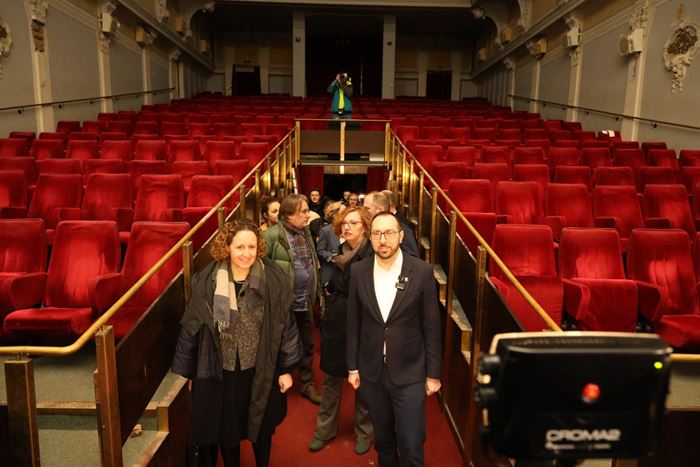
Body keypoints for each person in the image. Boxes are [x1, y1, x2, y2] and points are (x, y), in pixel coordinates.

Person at [172, 220, 302, 467]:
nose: (246, 253)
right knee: (227, 428)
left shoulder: (273, 277)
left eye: (251, 247)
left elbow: (284, 324)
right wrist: (190, 372)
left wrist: (285, 369)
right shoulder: (207, 279)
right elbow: (192, 326)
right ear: (227, 247)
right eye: (240, 247)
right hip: (224, 369)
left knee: (262, 424)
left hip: (261, 366)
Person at [346, 211, 442, 467]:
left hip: (410, 372)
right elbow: (354, 323)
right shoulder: (358, 271)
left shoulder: (422, 272)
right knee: (384, 441)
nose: (382, 239)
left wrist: (433, 374)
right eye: (377, 233)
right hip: (372, 372)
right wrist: (353, 367)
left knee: (411, 443)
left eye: (389, 233)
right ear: (370, 237)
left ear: (400, 236)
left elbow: (432, 328)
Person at [310, 206, 375, 455]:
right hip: (337, 320)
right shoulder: (340, 251)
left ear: (365, 228)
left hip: (364, 323)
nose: (346, 227)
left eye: (354, 223)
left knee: (364, 381)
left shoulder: (372, 255)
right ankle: (324, 430)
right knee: (331, 378)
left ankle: (364, 432)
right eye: (344, 223)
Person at [263, 193, 322, 404]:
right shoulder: (270, 236)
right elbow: (262, 271)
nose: (308, 215)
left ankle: (306, 384)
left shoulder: (305, 232)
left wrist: (316, 292)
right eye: (304, 211)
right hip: (282, 305)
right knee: (277, 344)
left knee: (307, 344)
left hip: (304, 301)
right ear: (289, 214)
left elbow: (311, 263)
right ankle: (275, 384)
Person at [363, 191, 419, 258]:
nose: (363, 211)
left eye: (367, 209)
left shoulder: (403, 229)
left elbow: (412, 258)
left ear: (380, 210)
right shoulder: (365, 227)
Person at [316, 201, 345, 284]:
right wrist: (331, 256)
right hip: (331, 273)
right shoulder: (325, 231)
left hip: (345, 275)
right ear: (335, 215)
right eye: (343, 212)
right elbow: (320, 250)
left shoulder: (348, 229)